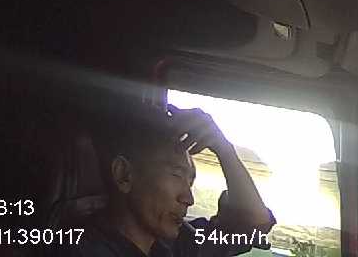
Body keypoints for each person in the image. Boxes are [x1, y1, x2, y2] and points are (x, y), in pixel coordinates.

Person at [55, 103, 275, 256]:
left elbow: (255, 225)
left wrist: (223, 148)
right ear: (124, 175)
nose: (188, 198)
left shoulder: (172, 242)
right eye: (176, 174)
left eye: (190, 182)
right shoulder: (83, 250)